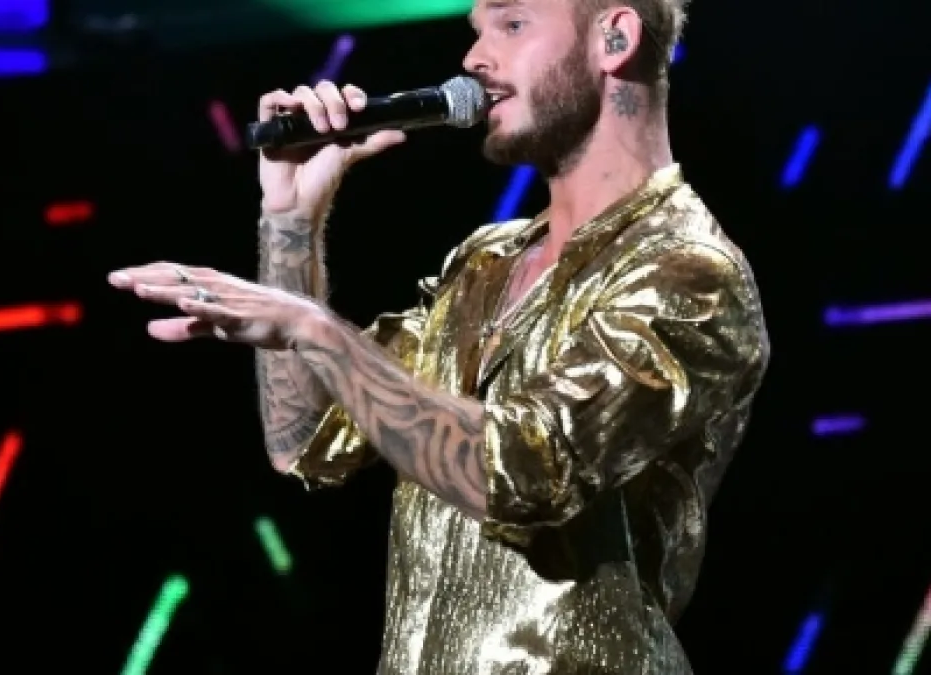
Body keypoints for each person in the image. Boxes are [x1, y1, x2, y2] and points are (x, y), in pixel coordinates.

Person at [109, 0, 769, 671]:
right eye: (476, 31)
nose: (474, 58)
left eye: (512, 24)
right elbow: (304, 439)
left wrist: (317, 330)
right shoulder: (488, 261)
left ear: (615, 38)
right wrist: (292, 220)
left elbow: (527, 472)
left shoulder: (689, 271)